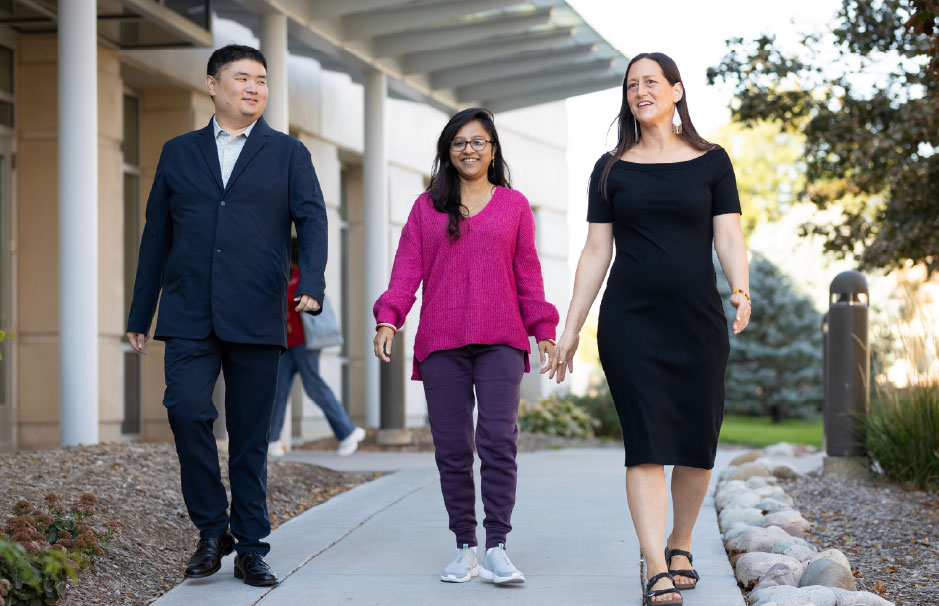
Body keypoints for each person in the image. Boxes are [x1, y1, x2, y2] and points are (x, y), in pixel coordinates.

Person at [552, 52, 751, 605]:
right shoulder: (611, 167)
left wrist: (740, 287)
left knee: (696, 440)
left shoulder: (712, 162)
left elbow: (729, 235)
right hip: (630, 321)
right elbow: (595, 251)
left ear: (677, 91)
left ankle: (681, 542)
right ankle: (655, 563)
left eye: (651, 82)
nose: (641, 90)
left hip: (697, 320)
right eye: (632, 84)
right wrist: (572, 327)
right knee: (644, 443)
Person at [125, 44, 328, 588]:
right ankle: (213, 529)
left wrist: (311, 282)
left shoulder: (288, 154)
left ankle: (252, 547)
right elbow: (156, 237)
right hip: (188, 309)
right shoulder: (178, 152)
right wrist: (142, 310)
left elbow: (311, 220)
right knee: (187, 411)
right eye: (242, 77)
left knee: (249, 435)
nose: (254, 87)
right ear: (212, 84)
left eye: (262, 79)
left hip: (258, 311)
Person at [372, 108, 559, 586]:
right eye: (459, 142)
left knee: (498, 440)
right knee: (453, 448)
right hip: (441, 342)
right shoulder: (425, 207)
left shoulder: (514, 205)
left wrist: (544, 330)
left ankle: (497, 545)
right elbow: (405, 270)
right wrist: (388, 318)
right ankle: (465, 546)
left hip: (501, 339)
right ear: (447, 151)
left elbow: (528, 274)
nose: (469, 149)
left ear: (493, 149)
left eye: (478, 141)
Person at [268, 239, 364, 457]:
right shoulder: (289, 275)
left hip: (305, 343)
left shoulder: (303, 275)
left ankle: (348, 431)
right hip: (288, 344)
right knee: (278, 391)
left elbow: (302, 301)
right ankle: (272, 440)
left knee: (314, 386)